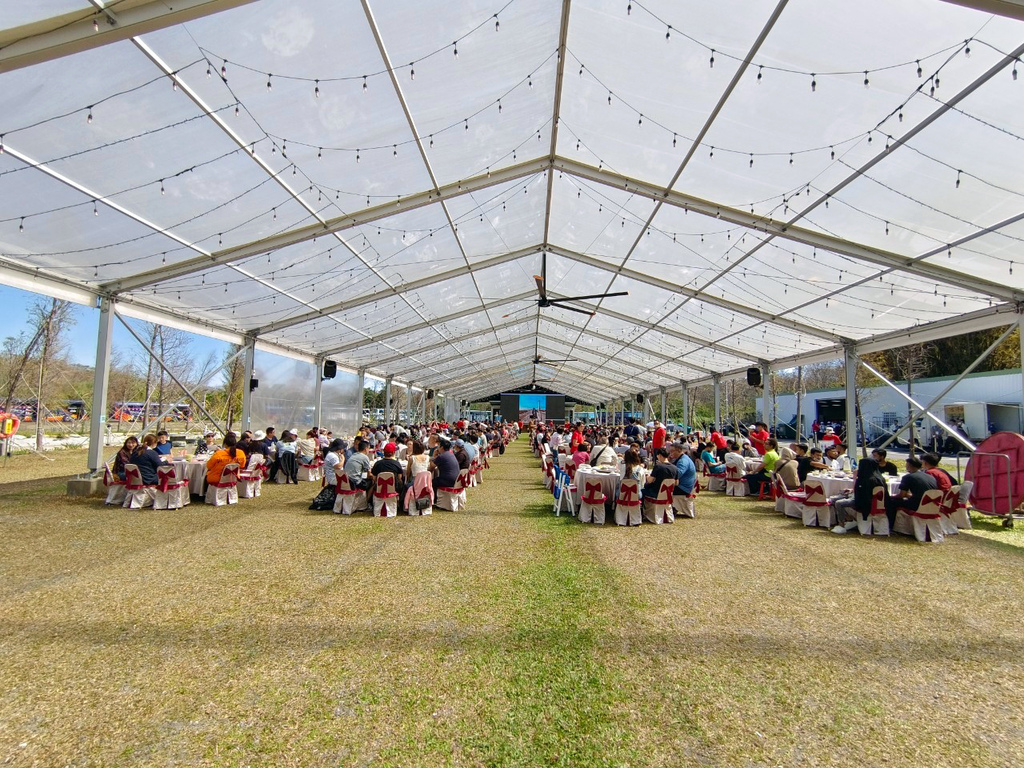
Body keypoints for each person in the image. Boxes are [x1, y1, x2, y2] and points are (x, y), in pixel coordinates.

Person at [831, 457, 888, 534]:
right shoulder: (879, 477)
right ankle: (850, 519)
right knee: (836, 499)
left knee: (838, 503)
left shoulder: (865, 479)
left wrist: (855, 478)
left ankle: (842, 523)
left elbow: (861, 495)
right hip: (877, 502)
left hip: (865, 503)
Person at [885, 456, 938, 528]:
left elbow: (902, 495)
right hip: (933, 503)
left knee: (891, 502)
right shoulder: (930, 476)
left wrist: (890, 496)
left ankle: (891, 525)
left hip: (918, 504)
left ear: (909, 466)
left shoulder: (908, 477)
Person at [371, 442, 406, 511]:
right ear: (393, 453)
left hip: (379, 487)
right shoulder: (396, 464)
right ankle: (401, 505)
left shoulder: (378, 464)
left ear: (383, 452)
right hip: (394, 487)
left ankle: (370, 504)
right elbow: (400, 477)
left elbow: (374, 478)